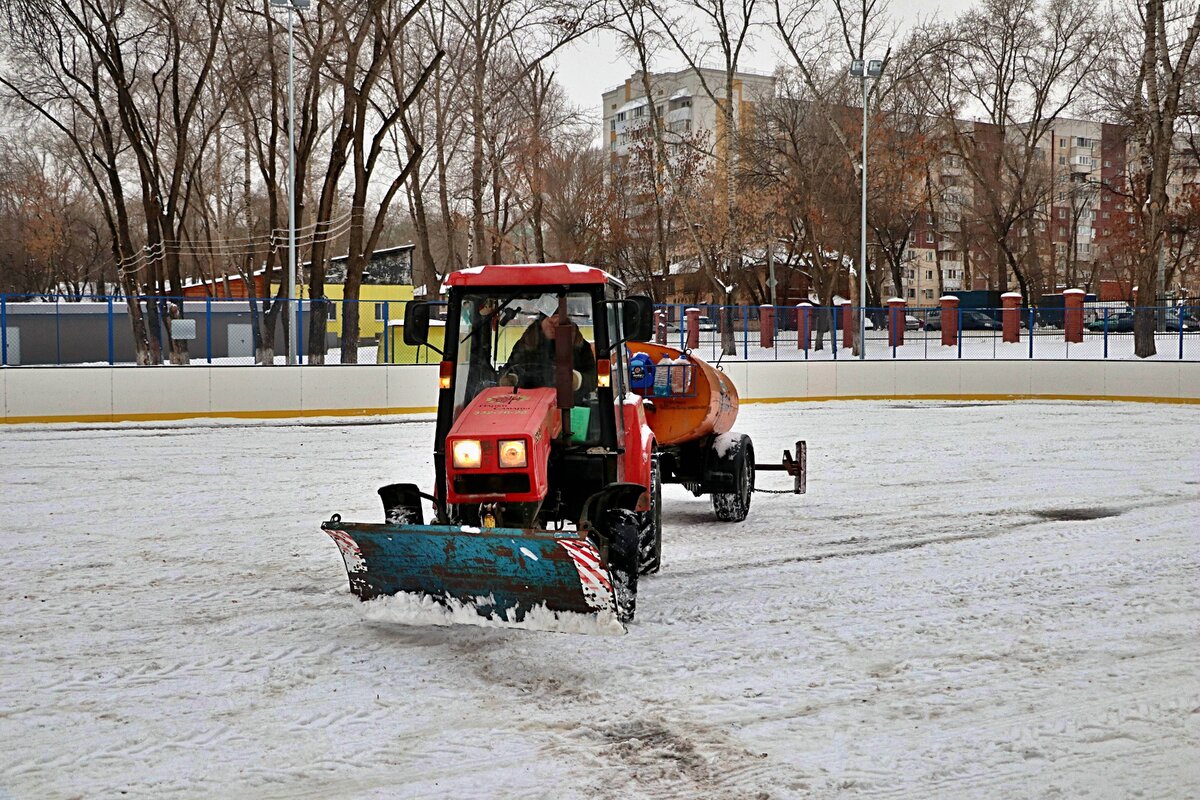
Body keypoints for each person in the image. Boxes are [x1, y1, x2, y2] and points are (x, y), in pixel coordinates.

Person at [500, 295, 596, 400]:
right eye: (550, 321)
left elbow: (593, 378)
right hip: (528, 403)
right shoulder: (525, 344)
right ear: (541, 322)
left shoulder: (579, 346)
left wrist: (576, 380)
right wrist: (511, 378)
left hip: (569, 405)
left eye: (558, 322)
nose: (554, 325)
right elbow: (511, 368)